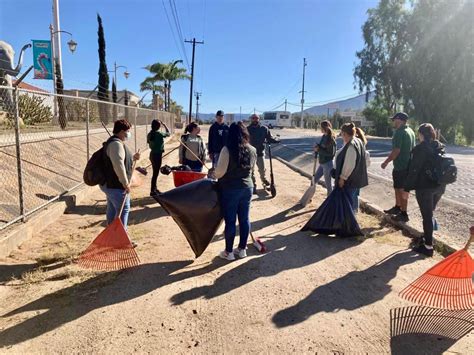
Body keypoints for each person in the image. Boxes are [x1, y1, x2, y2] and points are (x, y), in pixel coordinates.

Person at [212, 122, 257, 260]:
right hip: (247, 188)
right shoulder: (252, 149)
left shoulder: (227, 149)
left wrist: (213, 173)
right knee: (245, 219)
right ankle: (242, 249)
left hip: (230, 189)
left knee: (230, 221)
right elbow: (252, 170)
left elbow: (220, 173)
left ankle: (229, 252)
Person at [404, 123, 446, 257]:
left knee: (427, 217)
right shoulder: (439, 146)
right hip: (439, 186)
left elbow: (414, 170)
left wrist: (407, 189)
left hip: (425, 187)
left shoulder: (420, 149)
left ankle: (428, 246)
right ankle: (427, 237)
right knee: (430, 213)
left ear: (421, 134)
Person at [101, 119, 140, 235]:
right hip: (115, 185)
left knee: (113, 208)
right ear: (122, 131)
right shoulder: (115, 144)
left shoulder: (117, 143)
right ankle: (121, 238)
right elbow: (118, 165)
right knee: (124, 209)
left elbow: (121, 160)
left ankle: (111, 234)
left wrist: (133, 158)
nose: (129, 134)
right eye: (128, 131)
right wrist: (125, 183)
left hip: (112, 184)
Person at [381, 112, 416, 222]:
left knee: (401, 190)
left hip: (401, 166)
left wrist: (386, 162)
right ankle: (397, 207)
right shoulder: (410, 131)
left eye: (395, 120)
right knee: (398, 187)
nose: (393, 122)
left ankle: (404, 213)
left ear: (400, 120)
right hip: (407, 165)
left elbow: (396, 151)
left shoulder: (399, 132)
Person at [334, 123, 368, 212]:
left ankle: (350, 221)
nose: (341, 136)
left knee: (347, 202)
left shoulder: (351, 146)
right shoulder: (358, 141)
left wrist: (342, 178)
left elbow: (349, 164)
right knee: (353, 199)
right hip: (356, 178)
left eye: (341, 134)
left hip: (350, 180)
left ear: (344, 133)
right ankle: (354, 214)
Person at [247, 113, 277, 194]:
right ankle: (253, 185)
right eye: (253, 118)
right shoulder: (247, 129)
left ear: (259, 119)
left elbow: (269, 138)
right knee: (251, 171)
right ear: (251, 119)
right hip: (250, 154)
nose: (255, 120)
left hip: (260, 152)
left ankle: (264, 181)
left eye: (256, 118)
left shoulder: (264, 128)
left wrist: (275, 140)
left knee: (262, 170)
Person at [147, 119, 170, 196]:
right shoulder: (159, 133)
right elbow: (168, 133)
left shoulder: (150, 134)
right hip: (157, 155)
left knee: (155, 173)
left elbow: (148, 142)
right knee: (155, 174)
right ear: (159, 126)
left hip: (152, 154)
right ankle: (153, 190)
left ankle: (154, 189)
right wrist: (165, 125)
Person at [313, 120, 336, 195]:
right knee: (314, 180)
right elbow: (321, 148)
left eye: (320, 127)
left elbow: (331, 154)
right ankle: (309, 195)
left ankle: (330, 201)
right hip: (322, 163)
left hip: (328, 164)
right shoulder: (324, 136)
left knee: (328, 185)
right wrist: (317, 147)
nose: (320, 129)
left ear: (324, 128)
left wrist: (319, 149)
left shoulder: (331, 140)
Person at [351, 127, 371, 212]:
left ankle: (352, 211)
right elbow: (368, 164)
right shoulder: (365, 151)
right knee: (355, 194)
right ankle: (355, 211)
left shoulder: (354, 147)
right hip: (360, 175)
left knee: (352, 194)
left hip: (353, 175)